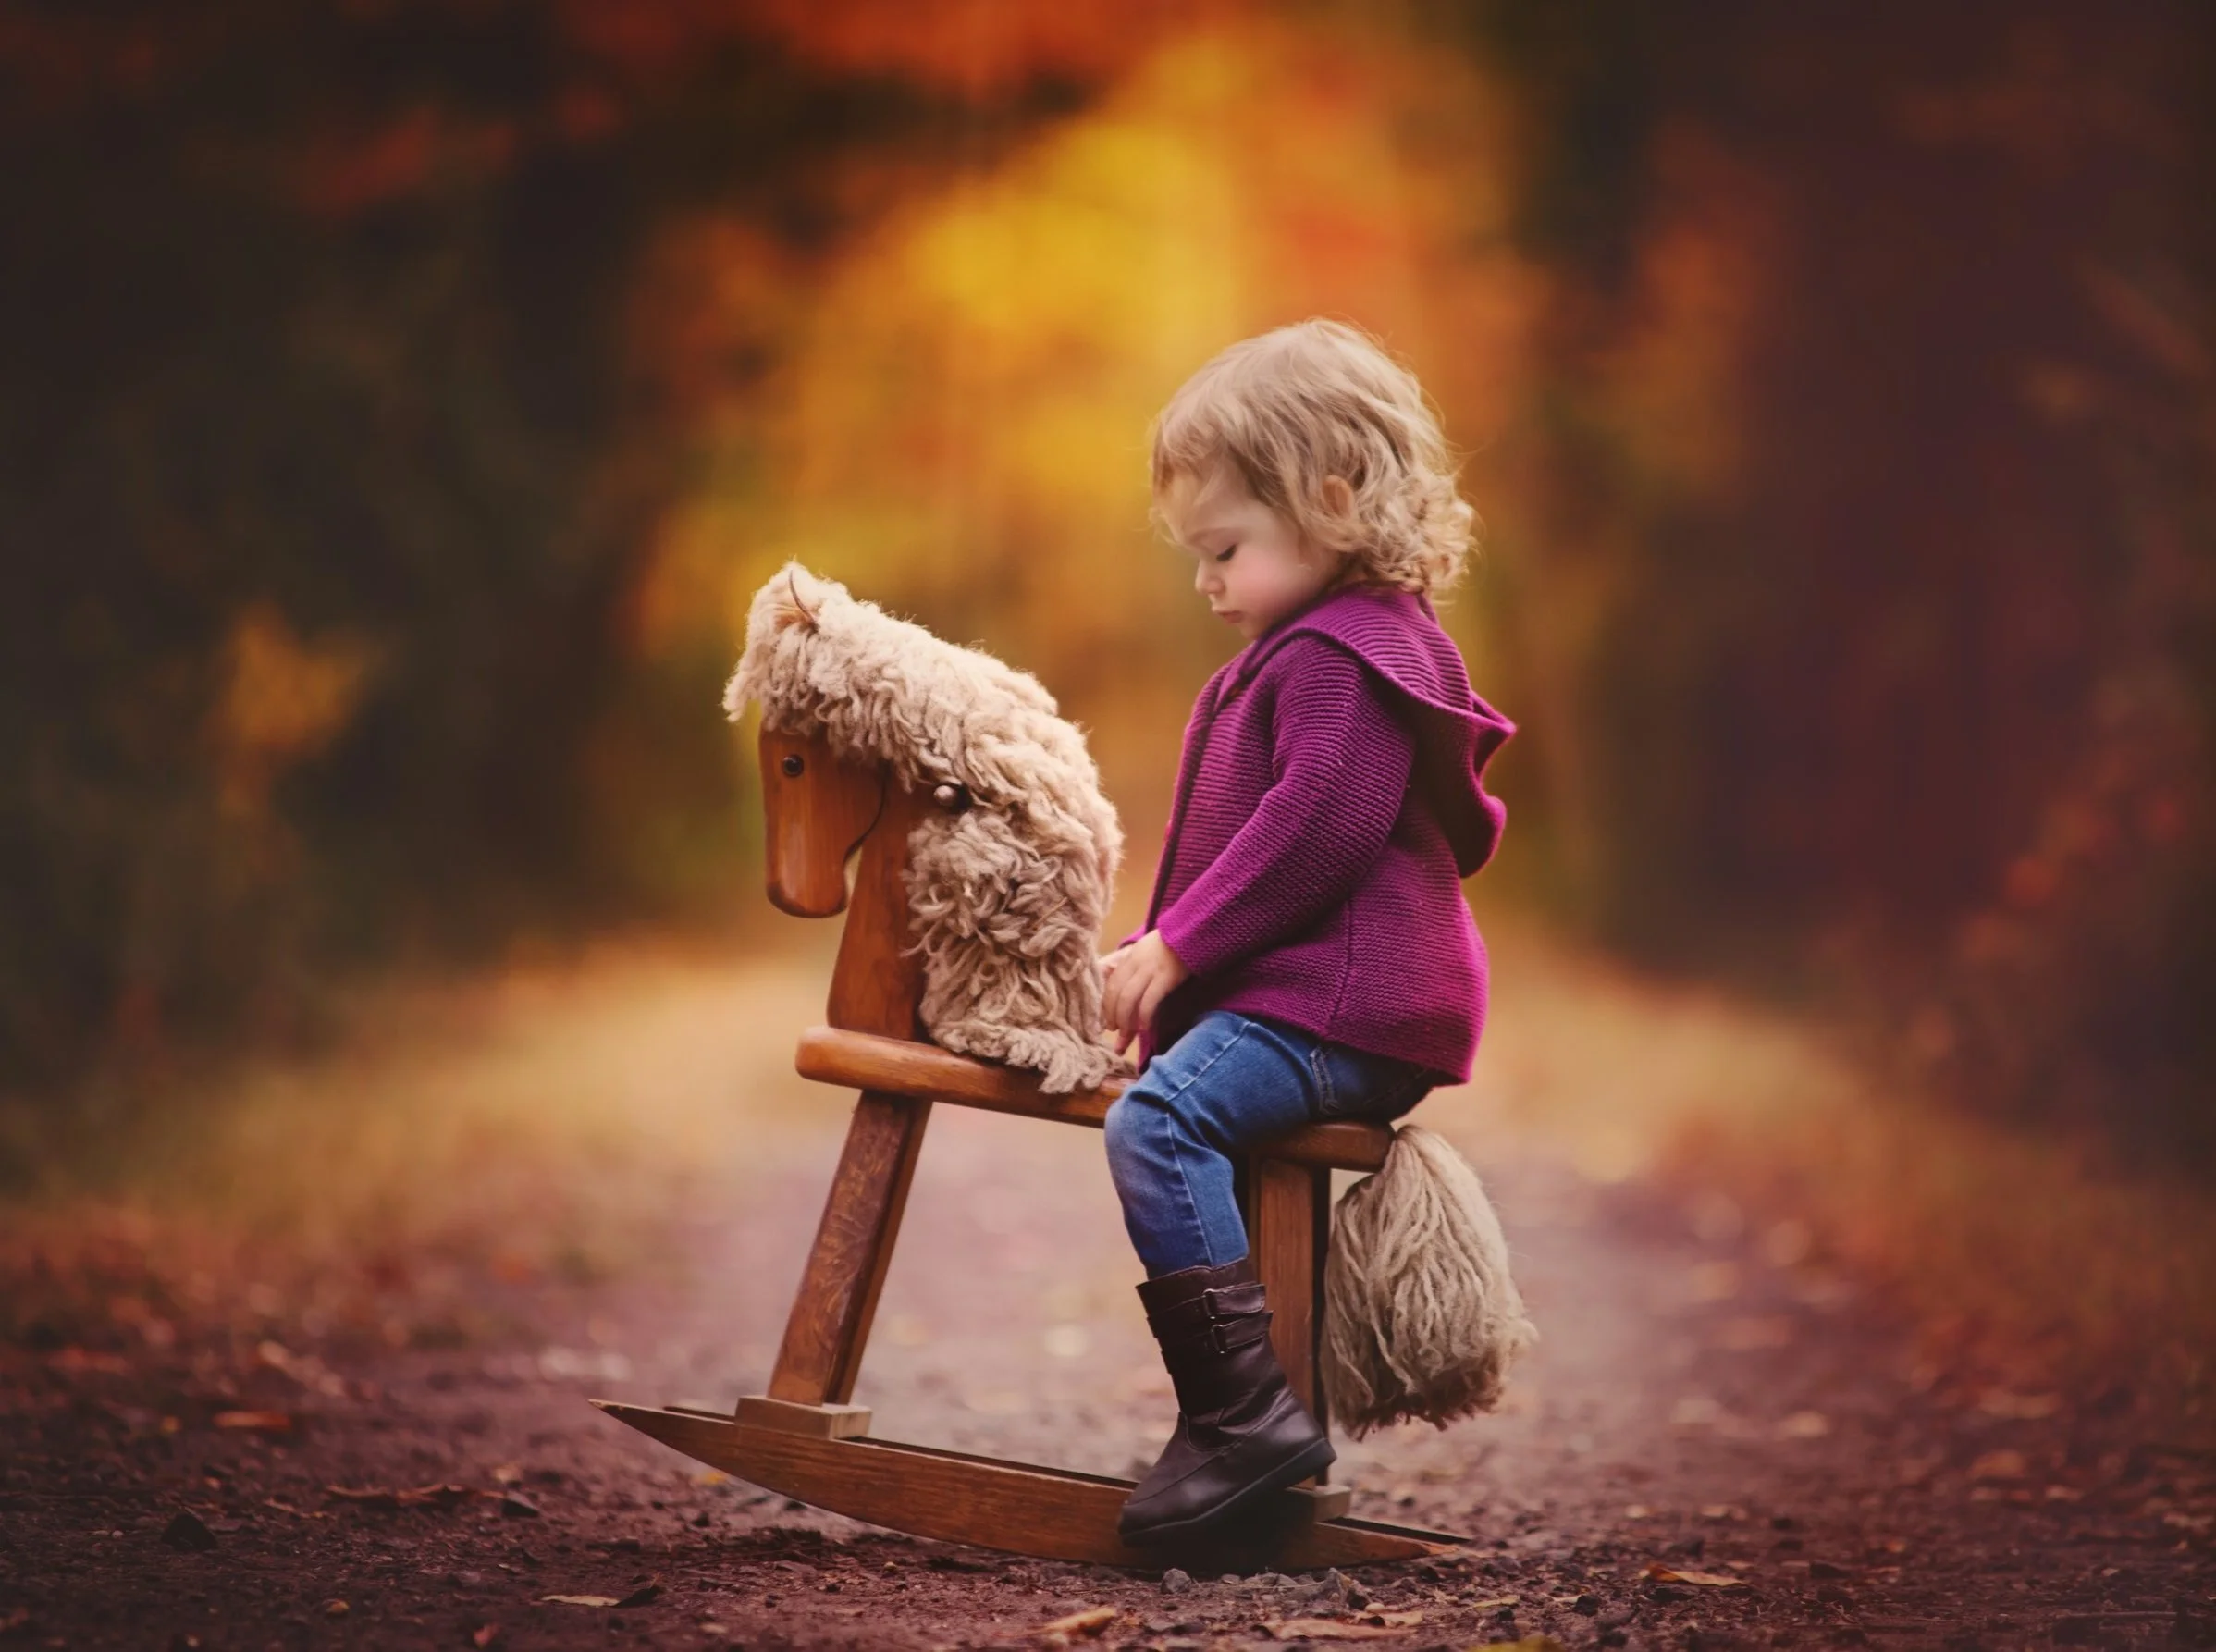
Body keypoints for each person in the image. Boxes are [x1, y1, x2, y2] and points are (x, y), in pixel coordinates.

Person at [1098, 317, 1516, 1546]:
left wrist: (1179, 948)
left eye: (1223, 546)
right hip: (1317, 1003)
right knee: (1190, 1126)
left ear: (1332, 501)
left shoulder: (1344, 654)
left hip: (1339, 1009)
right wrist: (1152, 947)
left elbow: (1317, 832)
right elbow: (1241, 853)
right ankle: (1247, 1434)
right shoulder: (1320, 643)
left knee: (1159, 1123)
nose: (1204, 578)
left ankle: (1243, 1420)